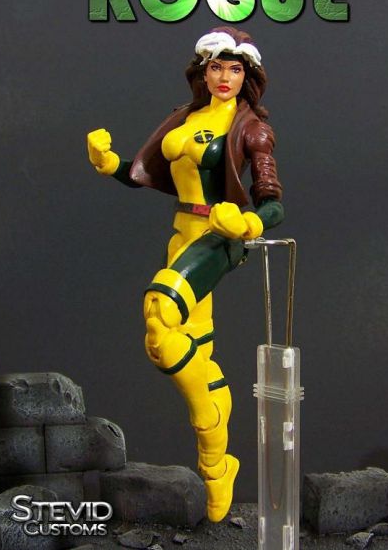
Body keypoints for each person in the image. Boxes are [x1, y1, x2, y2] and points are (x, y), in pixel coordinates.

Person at [87, 27, 283, 522]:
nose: (225, 77)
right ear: (203, 71)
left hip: (219, 236)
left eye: (235, 69)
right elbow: (155, 173)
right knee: (181, 348)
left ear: (247, 76)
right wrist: (111, 165)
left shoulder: (251, 130)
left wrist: (249, 223)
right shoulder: (185, 117)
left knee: (159, 315)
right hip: (182, 234)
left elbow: (273, 203)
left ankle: (211, 424)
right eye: (217, 67)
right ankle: (218, 464)